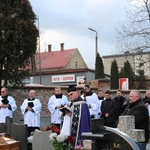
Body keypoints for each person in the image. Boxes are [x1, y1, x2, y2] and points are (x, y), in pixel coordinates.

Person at [61, 85, 90, 149]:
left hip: (79, 131)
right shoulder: (70, 103)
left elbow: (83, 120)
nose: (70, 96)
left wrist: (72, 115)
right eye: (69, 95)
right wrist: (65, 113)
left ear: (76, 92)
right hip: (71, 132)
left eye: (71, 94)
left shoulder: (83, 104)